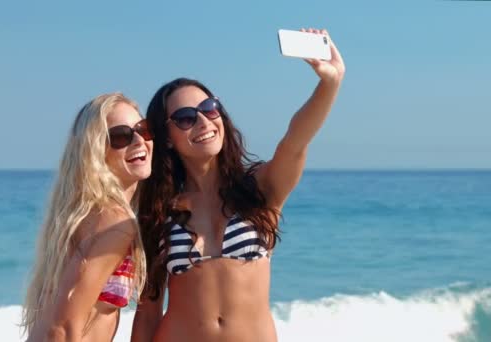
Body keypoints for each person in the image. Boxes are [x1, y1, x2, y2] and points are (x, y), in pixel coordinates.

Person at [131, 29, 345, 341]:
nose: (204, 122)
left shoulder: (259, 188)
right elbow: (148, 311)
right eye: (186, 118)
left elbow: (295, 142)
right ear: (168, 139)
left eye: (209, 108)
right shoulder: (159, 210)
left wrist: (330, 83)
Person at [21, 93, 153, 341]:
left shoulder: (91, 213)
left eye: (143, 129)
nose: (139, 141)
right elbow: (61, 327)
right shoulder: (114, 221)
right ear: (94, 150)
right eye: (121, 136)